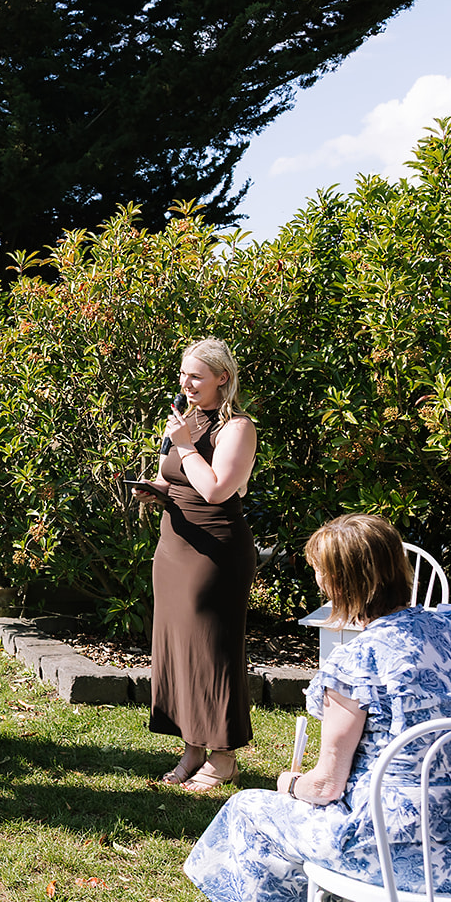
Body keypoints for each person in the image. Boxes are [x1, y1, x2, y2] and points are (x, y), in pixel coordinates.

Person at [183, 514, 451, 902]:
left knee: (248, 811)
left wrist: (290, 783)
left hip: (389, 856)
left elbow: (326, 785)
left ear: (340, 583)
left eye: (319, 572)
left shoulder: (359, 660)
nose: (318, 581)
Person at [132, 337, 257, 791]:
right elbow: (174, 479)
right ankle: (192, 748)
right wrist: (154, 490)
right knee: (180, 651)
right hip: (174, 549)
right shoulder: (183, 422)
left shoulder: (238, 428)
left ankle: (223, 757)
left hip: (215, 553)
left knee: (212, 653)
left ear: (223, 378)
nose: (186, 383)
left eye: (196, 376)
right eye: (183, 374)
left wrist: (184, 445)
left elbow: (217, 490)